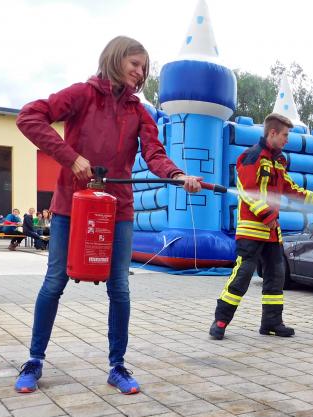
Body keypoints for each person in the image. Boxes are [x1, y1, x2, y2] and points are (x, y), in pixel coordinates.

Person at [12, 36, 203, 395]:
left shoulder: (140, 113)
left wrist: (177, 175)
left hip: (119, 210)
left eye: (145, 67)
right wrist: (71, 157)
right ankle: (34, 361)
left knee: (120, 287)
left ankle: (117, 366)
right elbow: (29, 117)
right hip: (72, 206)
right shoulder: (82, 95)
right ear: (115, 59)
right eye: (135, 64)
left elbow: (155, 154)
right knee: (55, 281)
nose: (141, 72)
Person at [209, 113, 313, 340]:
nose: (288, 140)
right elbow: (248, 192)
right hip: (251, 230)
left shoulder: (279, 161)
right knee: (243, 275)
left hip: (272, 232)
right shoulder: (251, 157)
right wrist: (267, 215)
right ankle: (220, 321)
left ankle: (272, 323)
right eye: (285, 135)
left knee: (276, 277)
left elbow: (290, 188)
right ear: (272, 133)